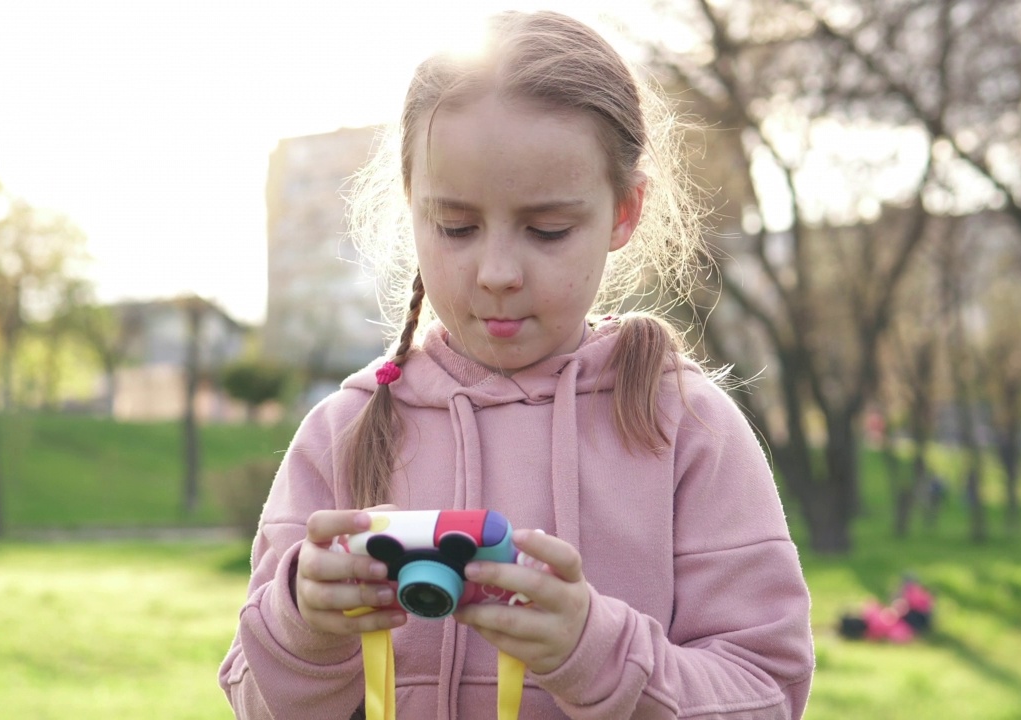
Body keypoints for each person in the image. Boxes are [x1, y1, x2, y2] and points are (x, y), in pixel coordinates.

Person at [219, 10, 814, 719]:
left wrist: (597, 654)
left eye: (547, 229)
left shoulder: (684, 427)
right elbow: (256, 702)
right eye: (457, 227)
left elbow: (768, 694)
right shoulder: (342, 434)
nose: (498, 271)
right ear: (411, 205)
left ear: (624, 211)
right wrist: (302, 625)